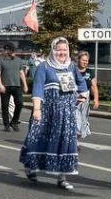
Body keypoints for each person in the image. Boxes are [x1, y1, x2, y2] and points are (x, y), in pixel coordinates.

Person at [20, 37, 85, 190]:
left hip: (67, 114)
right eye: (59, 50)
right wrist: (37, 109)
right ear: (53, 50)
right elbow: (37, 88)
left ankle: (62, 177)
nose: (62, 53)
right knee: (36, 139)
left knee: (65, 142)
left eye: (64, 50)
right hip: (47, 111)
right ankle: (30, 166)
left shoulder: (71, 66)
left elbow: (81, 83)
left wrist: (82, 95)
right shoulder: (44, 67)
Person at [0, 43, 28, 132]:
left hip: (17, 85)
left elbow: (21, 73)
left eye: (14, 51)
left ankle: (14, 121)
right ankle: (6, 125)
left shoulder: (18, 60)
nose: (13, 52)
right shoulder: (0, 61)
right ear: (6, 51)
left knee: (20, 103)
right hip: (5, 86)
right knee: (5, 106)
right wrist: (0, 85)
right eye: (11, 51)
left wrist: (25, 85)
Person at [76, 49, 97, 139]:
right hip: (75, 96)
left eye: (87, 61)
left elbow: (94, 86)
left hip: (86, 98)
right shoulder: (73, 70)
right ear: (78, 60)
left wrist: (96, 99)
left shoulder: (90, 72)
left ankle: (79, 134)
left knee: (83, 118)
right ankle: (75, 140)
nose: (85, 62)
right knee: (76, 118)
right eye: (83, 60)